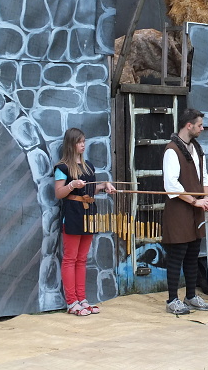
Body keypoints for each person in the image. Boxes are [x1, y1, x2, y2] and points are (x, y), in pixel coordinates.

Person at [54, 128, 116, 316]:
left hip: (88, 213)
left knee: (82, 259)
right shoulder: (62, 167)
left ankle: (82, 299)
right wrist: (71, 185)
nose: (83, 144)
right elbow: (59, 193)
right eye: (79, 142)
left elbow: (90, 190)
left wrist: (104, 186)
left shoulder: (88, 166)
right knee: (70, 258)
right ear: (71, 144)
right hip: (72, 213)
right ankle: (71, 302)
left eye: (84, 141)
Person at [162, 108, 208, 314]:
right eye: (199, 125)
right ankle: (172, 300)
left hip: (196, 210)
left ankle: (191, 296)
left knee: (193, 255)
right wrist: (195, 201)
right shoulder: (172, 150)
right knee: (177, 256)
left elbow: (204, 178)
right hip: (179, 211)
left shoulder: (197, 149)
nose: (202, 128)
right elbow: (171, 184)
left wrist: (206, 198)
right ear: (189, 125)